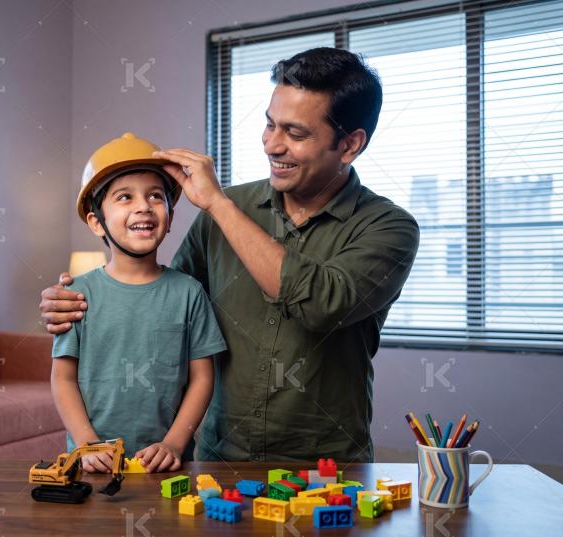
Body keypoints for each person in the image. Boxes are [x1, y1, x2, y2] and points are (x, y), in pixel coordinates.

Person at [42, 48, 420, 463]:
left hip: (325, 462)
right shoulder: (221, 210)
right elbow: (162, 299)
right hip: (222, 458)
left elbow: (320, 305)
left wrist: (221, 207)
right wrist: (74, 304)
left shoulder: (388, 228)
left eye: (295, 134)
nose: (272, 145)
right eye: (270, 124)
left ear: (349, 145)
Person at [51, 132, 226, 474]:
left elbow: (203, 378)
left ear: (171, 218)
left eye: (156, 196)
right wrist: (87, 443)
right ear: (95, 222)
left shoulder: (189, 292)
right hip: (91, 464)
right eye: (125, 197)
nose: (143, 206)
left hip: (167, 465)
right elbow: (63, 380)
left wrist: (175, 443)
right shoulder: (77, 295)